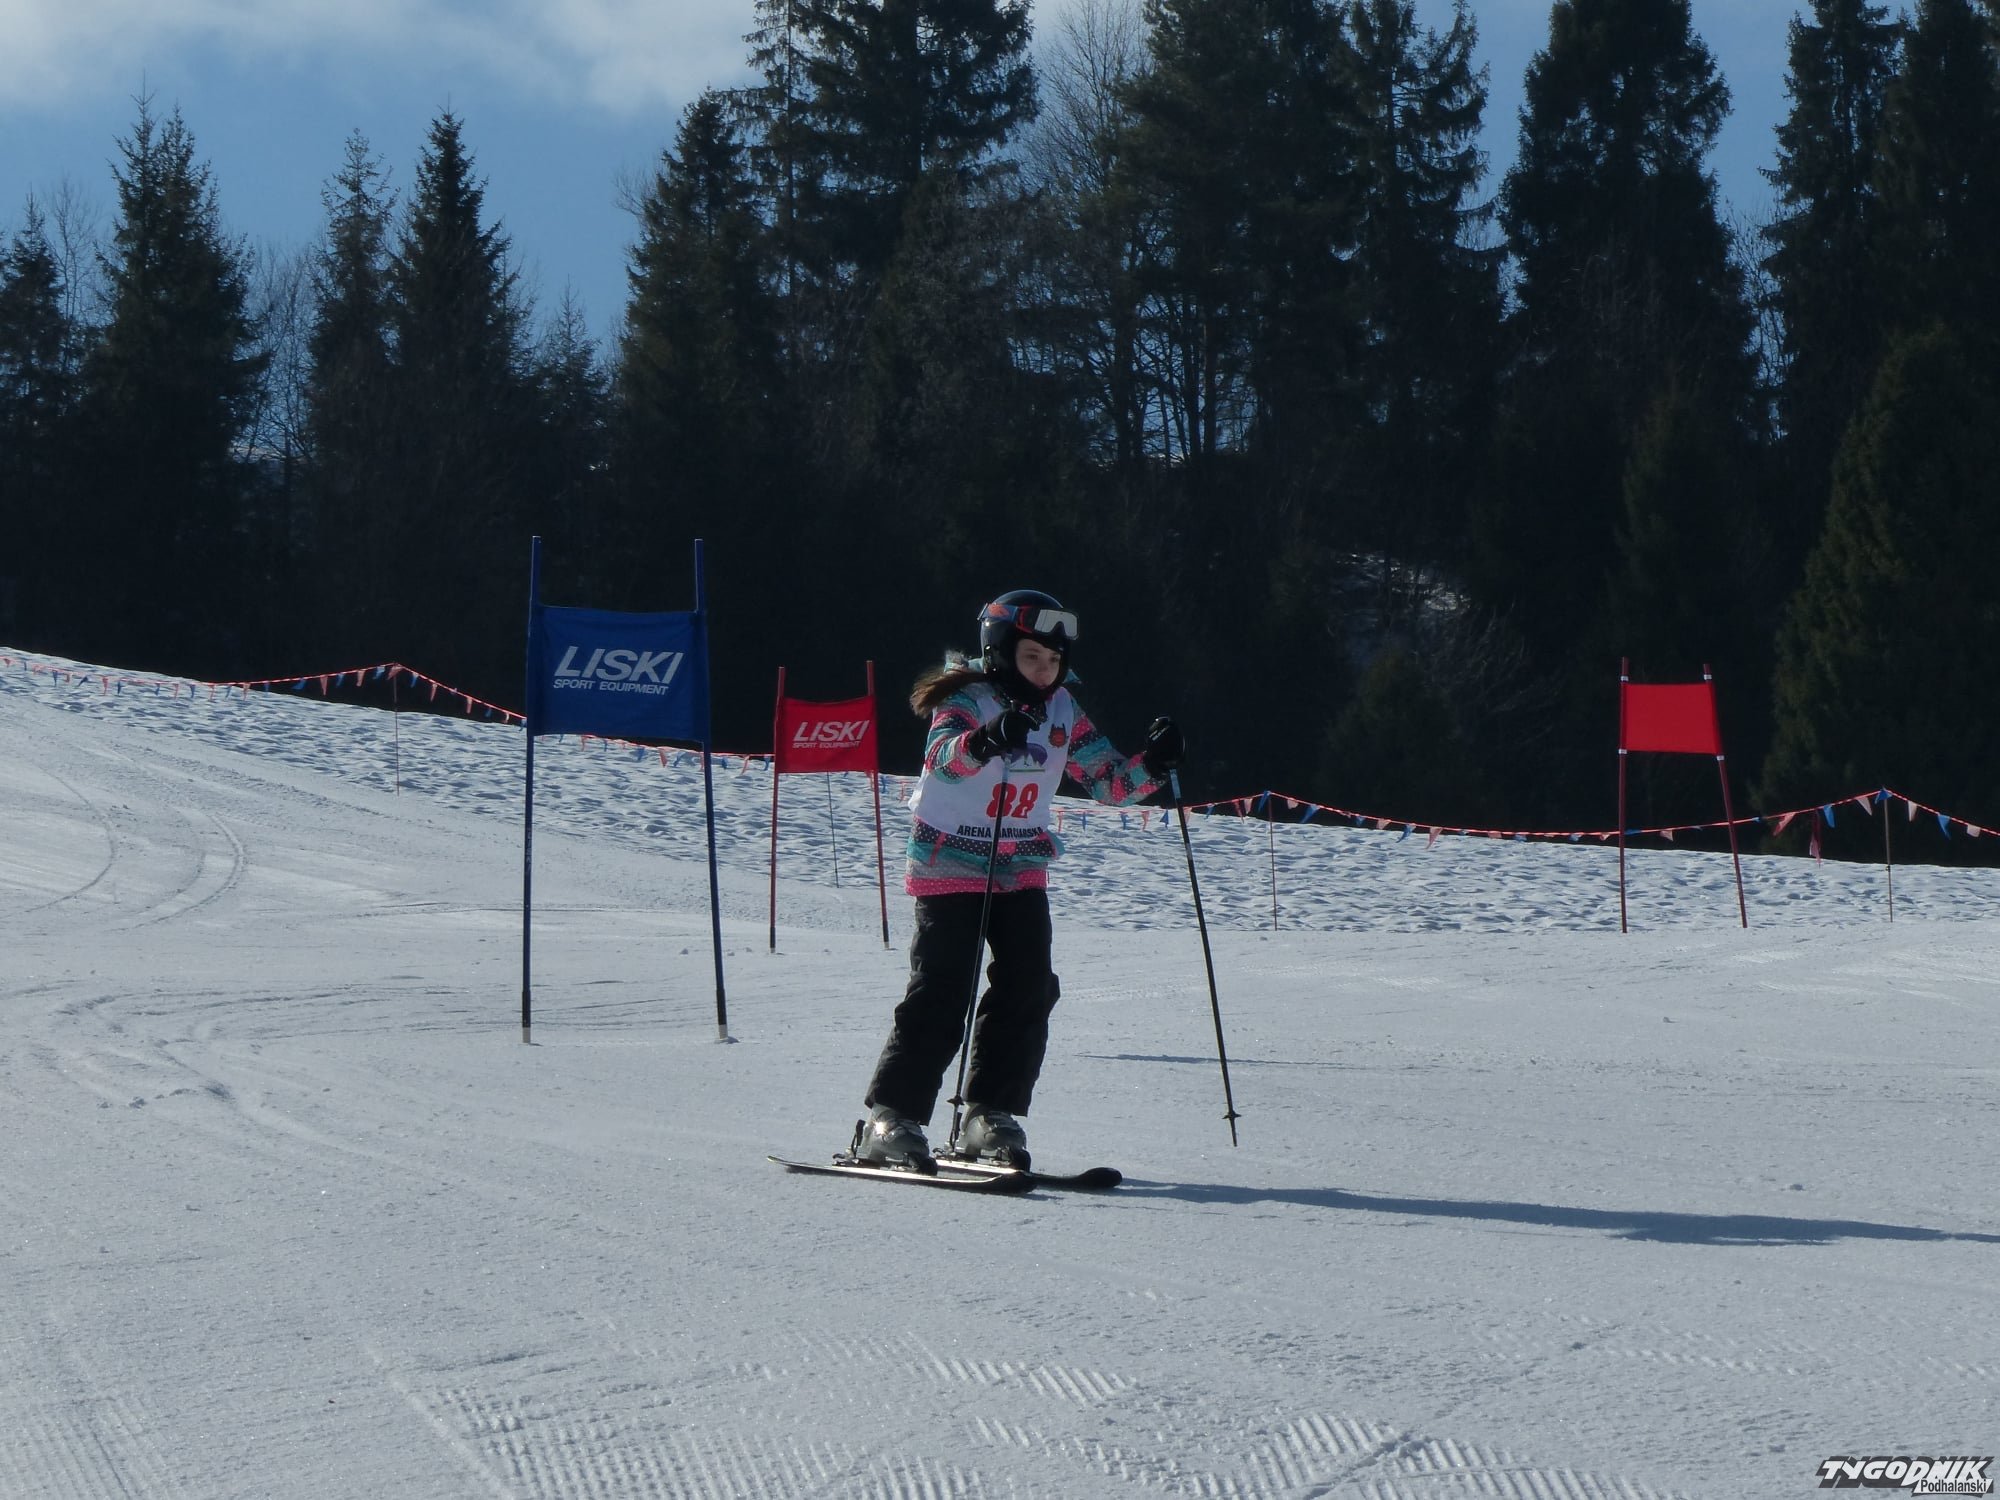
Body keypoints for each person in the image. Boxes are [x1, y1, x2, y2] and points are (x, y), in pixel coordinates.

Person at [856, 589, 1185, 1170]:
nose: (1045, 670)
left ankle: (989, 1113)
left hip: (1020, 864)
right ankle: (892, 1117)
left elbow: (1108, 782)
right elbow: (941, 760)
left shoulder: (1062, 709)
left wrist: (1153, 765)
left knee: (1028, 986)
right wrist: (985, 740)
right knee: (943, 988)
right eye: (1033, 657)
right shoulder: (966, 698)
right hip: (950, 861)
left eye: (1054, 660)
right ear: (1000, 651)